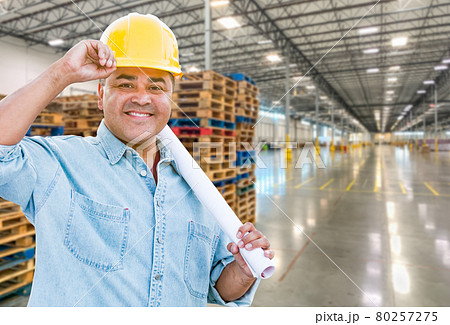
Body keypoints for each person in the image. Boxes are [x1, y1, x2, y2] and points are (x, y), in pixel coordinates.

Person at [0, 13, 274, 307]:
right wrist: (63, 72)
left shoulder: (196, 186)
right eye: (126, 84)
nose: (142, 98)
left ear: (170, 97)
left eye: (156, 87)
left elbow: (218, 287)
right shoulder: (59, 165)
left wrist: (243, 271)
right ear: (100, 94)